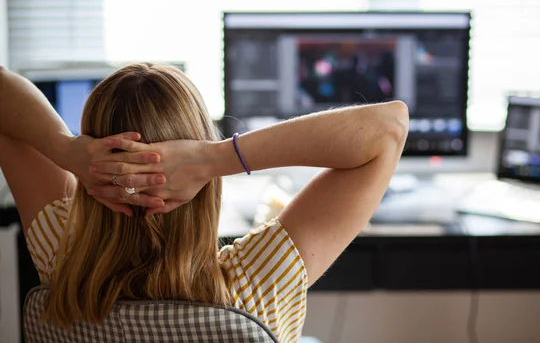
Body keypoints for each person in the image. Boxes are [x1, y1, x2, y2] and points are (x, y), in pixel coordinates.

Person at [0, 63, 409, 342]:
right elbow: (388, 129)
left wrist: (65, 149)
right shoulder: (257, 288)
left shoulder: (59, 251)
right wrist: (215, 158)